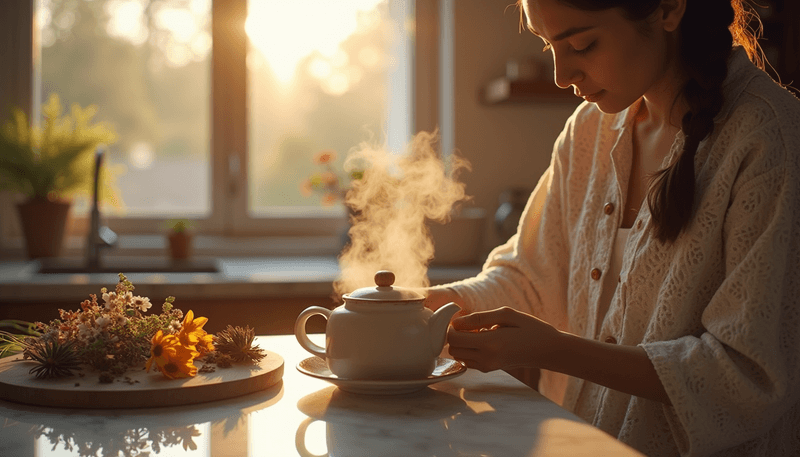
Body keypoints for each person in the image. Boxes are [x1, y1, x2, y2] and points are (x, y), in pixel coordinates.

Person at [424, 0, 800, 455]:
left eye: (582, 44)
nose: (562, 75)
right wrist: (446, 303)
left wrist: (556, 351)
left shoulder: (769, 138)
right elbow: (533, 275)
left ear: (668, 10)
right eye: (549, 45)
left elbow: (748, 374)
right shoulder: (589, 131)